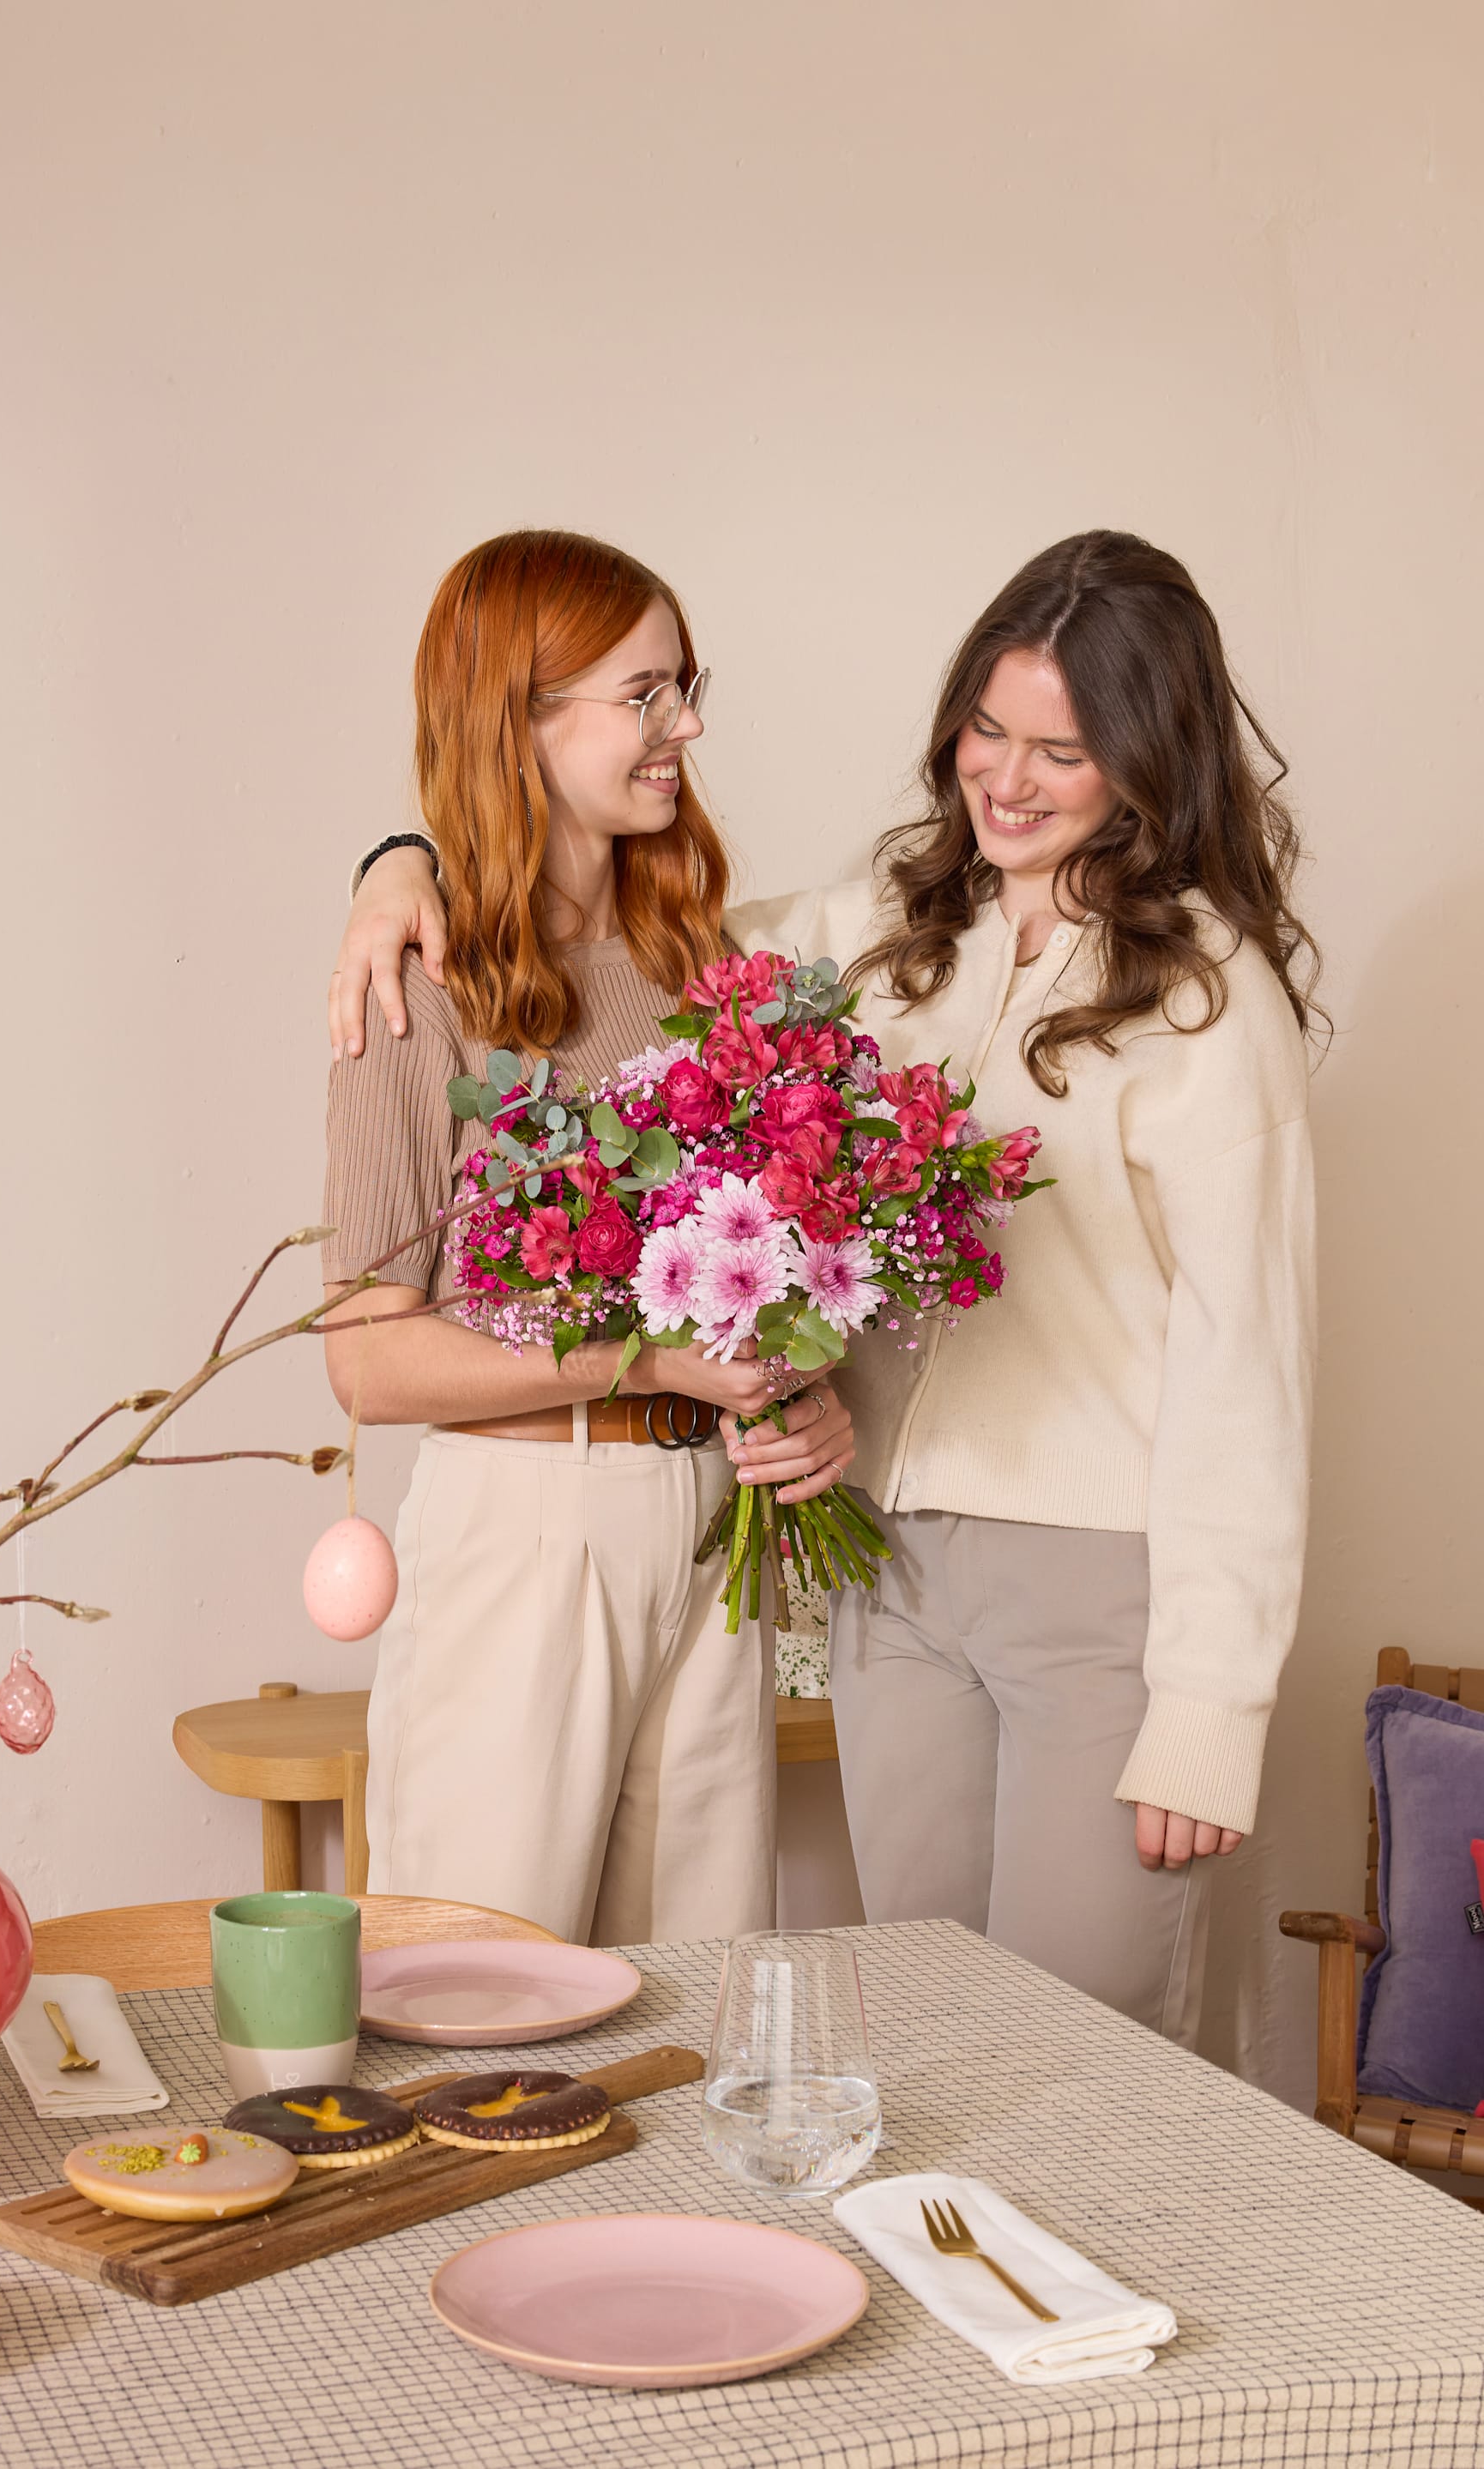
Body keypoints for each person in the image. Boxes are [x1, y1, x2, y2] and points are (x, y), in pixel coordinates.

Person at [331, 529, 1319, 2047]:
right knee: (925, 2028)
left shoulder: (1203, 993)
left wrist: (1212, 1709)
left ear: (1146, 759)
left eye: (1065, 747)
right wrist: (399, 863)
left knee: (1088, 2047)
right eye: (988, 729)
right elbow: (627, 943)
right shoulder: (896, 930)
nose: (1010, 777)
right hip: (889, 1581)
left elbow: (1250, 1364)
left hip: (1096, 1587)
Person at [320, 528, 855, 1947]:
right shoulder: (414, 977)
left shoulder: (706, 962)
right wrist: (650, 1365)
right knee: (477, 2014)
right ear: (524, 716)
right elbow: (369, 1364)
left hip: (709, 1535)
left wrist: (802, 1393)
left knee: (695, 2014)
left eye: (686, 687)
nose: (685, 726)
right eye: (645, 694)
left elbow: (753, 1279)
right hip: (524, 1536)